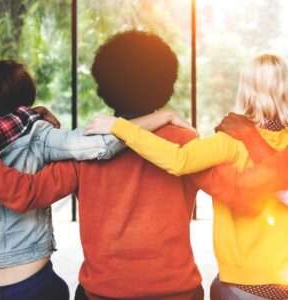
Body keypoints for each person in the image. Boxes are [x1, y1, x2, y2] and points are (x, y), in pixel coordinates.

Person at [0, 31, 204, 300]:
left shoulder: (84, 150)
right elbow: (236, 190)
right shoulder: (187, 142)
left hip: (102, 294)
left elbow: (27, 193)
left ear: (104, 87)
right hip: (177, 292)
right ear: (166, 81)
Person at [85, 54, 288, 299]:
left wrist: (119, 126)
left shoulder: (229, 142)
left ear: (246, 91)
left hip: (244, 282)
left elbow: (178, 160)